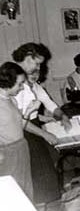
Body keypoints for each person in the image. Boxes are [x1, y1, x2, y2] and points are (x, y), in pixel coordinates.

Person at [12, 42, 71, 204]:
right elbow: (18, 119)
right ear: (26, 57)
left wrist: (61, 116)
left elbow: (49, 104)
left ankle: (47, 199)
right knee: (41, 175)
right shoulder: (15, 80)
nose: (38, 68)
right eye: (37, 63)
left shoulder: (31, 83)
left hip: (31, 127)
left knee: (47, 169)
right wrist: (45, 133)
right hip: (22, 132)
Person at [0, 62, 33, 200]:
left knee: (26, 190)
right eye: (19, 84)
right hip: (7, 153)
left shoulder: (12, 100)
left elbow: (19, 126)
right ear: (8, 82)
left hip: (21, 147)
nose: (22, 88)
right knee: (12, 195)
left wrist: (29, 111)